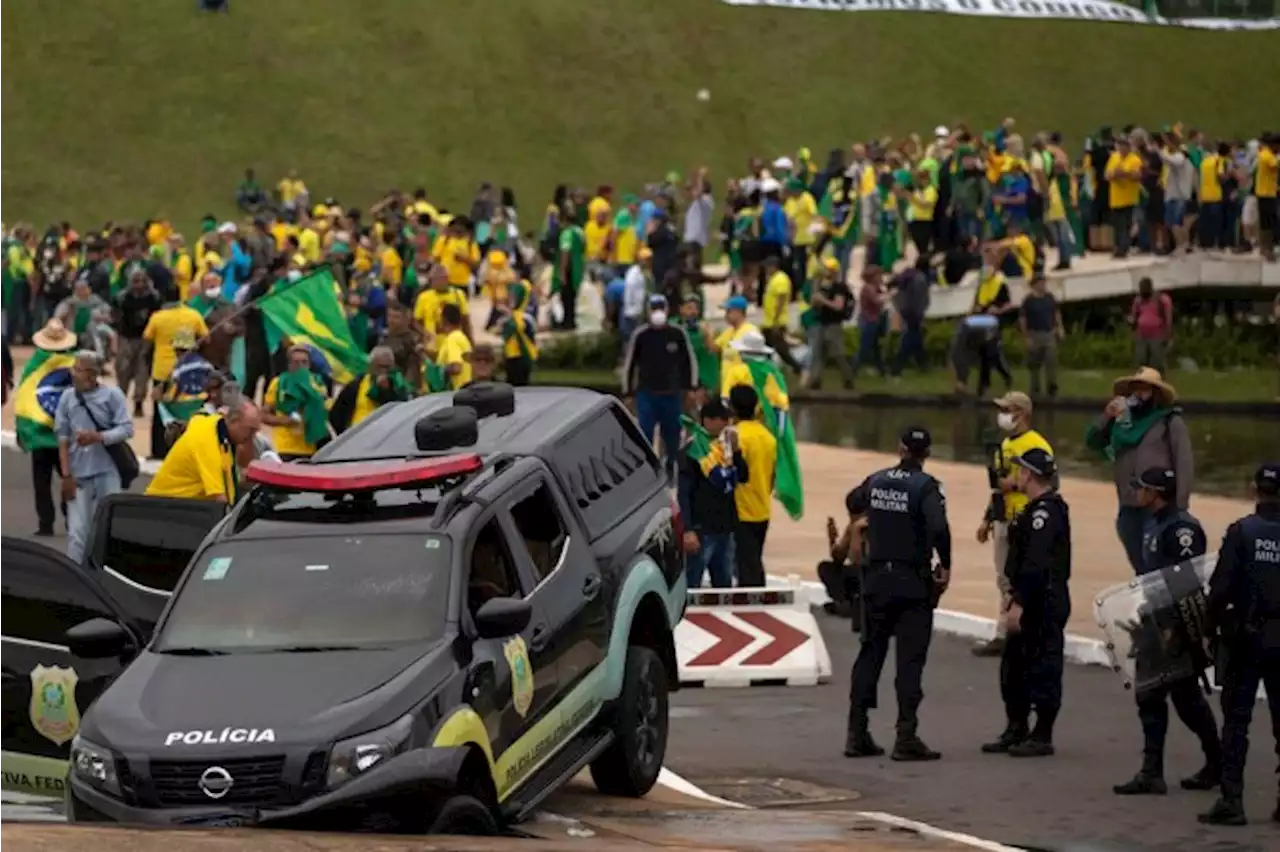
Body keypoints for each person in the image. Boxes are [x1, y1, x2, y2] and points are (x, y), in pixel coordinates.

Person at [1113, 467, 1222, 797]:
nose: (1138, 493)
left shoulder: (1182, 530)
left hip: (1174, 625)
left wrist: (1175, 628)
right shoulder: (1154, 522)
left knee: (1183, 698)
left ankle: (1215, 761)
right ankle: (1153, 770)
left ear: (1157, 492)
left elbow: (1185, 582)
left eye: (1143, 488)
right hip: (1154, 619)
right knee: (1152, 695)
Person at [844, 427, 951, 762]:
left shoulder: (876, 479)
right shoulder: (927, 486)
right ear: (926, 454)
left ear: (900, 448)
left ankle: (856, 733)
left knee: (869, 654)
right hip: (911, 581)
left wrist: (864, 525)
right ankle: (906, 736)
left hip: (876, 579)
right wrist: (945, 564)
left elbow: (852, 500)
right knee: (909, 661)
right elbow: (937, 526)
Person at [1200, 463, 1280, 826]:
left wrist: (1208, 628)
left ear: (1254, 490)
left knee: (1236, 722)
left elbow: (1220, 589)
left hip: (1246, 637)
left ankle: (1232, 800)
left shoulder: (1242, 532)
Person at [981, 448, 1070, 758]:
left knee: (1044, 665)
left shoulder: (1046, 513)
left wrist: (1018, 602)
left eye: (1019, 471)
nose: (1015, 476)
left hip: (1042, 600)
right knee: (1013, 666)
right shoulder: (1033, 510)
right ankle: (1015, 726)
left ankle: (1042, 733)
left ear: (1029, 475)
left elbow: (1037, 564)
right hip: (1024, 595)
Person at [1085, 368, 1193, 574]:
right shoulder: (1122, 422)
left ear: (1156, 394)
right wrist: (1107, 416)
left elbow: (1184, 463)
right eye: (1135, 390)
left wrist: (1181, 506)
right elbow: (1093, 441)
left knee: (1161, 567)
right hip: (1129, 505)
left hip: (1160, 506)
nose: (1138, 395)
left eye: (1144, 390)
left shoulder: (1169, 421)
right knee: (1141, 568)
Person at [974, 392, 1054, 657]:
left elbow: (1049, 481)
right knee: (1004, 577)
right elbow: (998, 487)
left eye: (1008, 409)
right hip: (1003, 517)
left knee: (1025, 575)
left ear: (1022, 412)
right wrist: (988, 518)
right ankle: (1005, 630)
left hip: (1026, 517)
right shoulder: (1004, 445)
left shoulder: (1036, 444)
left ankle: (1023, 630)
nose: (1003, 415)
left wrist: (1016, 484)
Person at [54, 350, 134, 564]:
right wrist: (66, 475)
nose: (73, 373)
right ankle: (76, 579)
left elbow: (127, 429)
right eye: (74, 368)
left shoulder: (112, 395)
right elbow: (62, 438)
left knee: (107, 527)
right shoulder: (67, 398)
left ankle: (104, 576)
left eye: (78, 370)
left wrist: (99, 437)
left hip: (108, 472)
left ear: (92, 374)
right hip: (78, 474)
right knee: (77, 532)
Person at [621, 294, 697, 480]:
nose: (657, 313)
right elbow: (629, 364)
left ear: (667, 310)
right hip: (647, 393)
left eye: (660, 309)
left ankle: (670, 464)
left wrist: (691, 388)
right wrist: (627, 391)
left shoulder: (677, 333)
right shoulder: (641, 335)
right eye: (654, 309)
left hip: (672, 394)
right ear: (648, 311)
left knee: (672, 434)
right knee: (645, 433)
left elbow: (689, 362)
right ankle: (648, 469)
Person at [678, 398, 748, 589]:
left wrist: (737, 451)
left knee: (724, 584)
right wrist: (688, 529)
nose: (727, 424)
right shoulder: (693, 450)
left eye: (728, 419)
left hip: (725, 526)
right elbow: (684, 493)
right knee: (692, 583)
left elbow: (743, 477)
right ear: (707, 420)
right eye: (722, 419)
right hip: (702, 528)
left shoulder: (725, 448)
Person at [146, 397, 262, 503]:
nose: (252, 436)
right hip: (162, 507)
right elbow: (220, 499)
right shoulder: (207, 441)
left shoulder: (219, 430)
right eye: (250, 430)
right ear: (233, 421)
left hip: (184, 505)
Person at [728, 385, 776, 588]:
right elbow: (772, 475)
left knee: (746, 566)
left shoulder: (735, 437)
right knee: (754, 559)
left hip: (741, 509)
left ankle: (754, 607)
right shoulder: (768, 437)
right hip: (763, 508)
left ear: (732, 408)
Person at [263, 344, 330, 461]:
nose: (300, 366)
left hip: (311, 448)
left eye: (304, 362)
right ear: (289, 365)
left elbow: (325, 412)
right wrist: (284, 421)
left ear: (309, 365)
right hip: (285, 448)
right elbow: (263, 415)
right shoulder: (278, 383)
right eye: (296, 362)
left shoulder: (317, 384)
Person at [113, 268, 163, 417]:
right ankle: (119, 405)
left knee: (143, 373)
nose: (139, 284)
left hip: (145, 339)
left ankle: (138, 403)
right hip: (126, 338)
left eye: (142, 281)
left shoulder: (154, 298)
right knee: (123, 371)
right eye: (136, 281)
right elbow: (115, 318)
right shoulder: (122, 298)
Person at [329, 345, 411, 433]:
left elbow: (399, 410)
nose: (384, 371)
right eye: (380, 366)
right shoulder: (357, 383)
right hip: (355, 434)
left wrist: (386, 391)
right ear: (371, 366)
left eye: (387, 367)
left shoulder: (398, 385)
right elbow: (338, 412)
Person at [1128, 277, 1173, 374]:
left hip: (1157, 335)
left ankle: (1157, 382)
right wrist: (1131, 322)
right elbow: (1134, 316)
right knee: (1141, 361)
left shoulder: (1162, 300)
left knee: (1156, 363)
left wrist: (1168, 335)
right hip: (1141, 335)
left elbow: (1168, 318)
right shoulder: (1138, 300)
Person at [499, 281, 537, 386]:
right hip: (511, 356)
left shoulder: (525, 317)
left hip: (522, 357)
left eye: (513, 298)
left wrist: (508, 317)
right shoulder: (514, 315)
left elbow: (516, 327)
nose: (510, 301)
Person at [433, 303, 473, 391]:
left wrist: (438, 371)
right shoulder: (461, 337)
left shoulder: (452, 339)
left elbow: (456, 367)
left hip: (455, 393)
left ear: (444, 320)